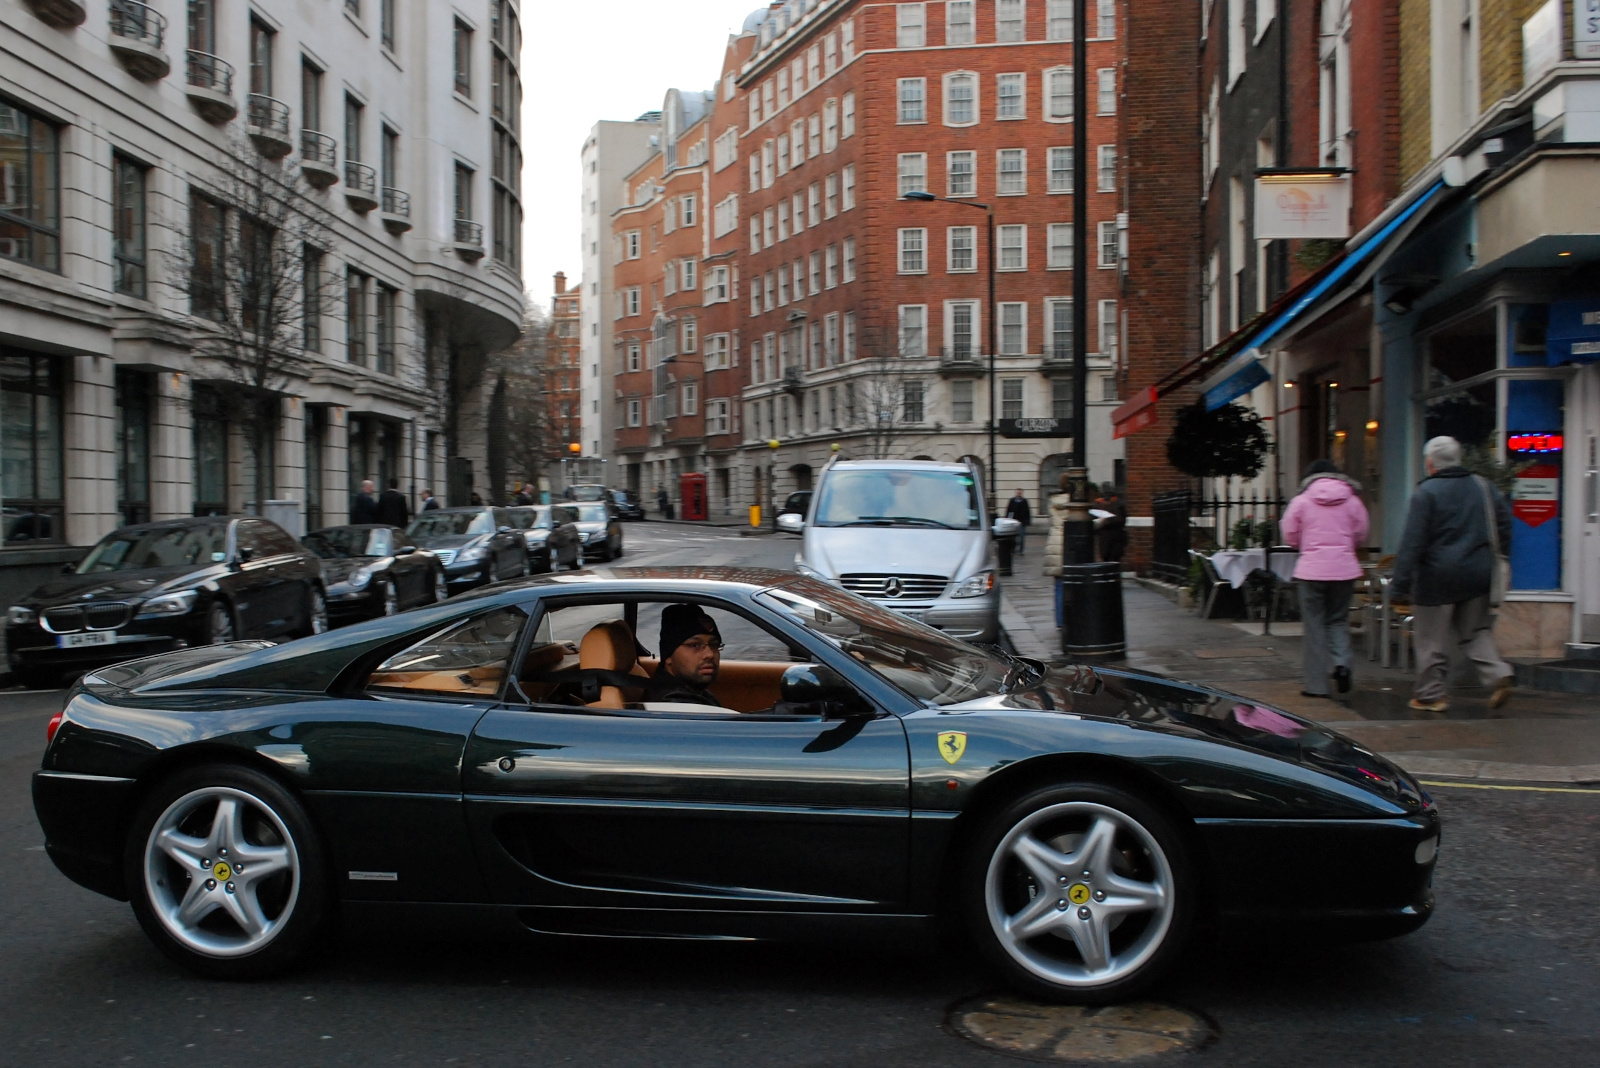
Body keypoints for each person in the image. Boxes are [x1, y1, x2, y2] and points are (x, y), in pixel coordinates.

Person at [1391, 436, 1514, 713]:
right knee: (1475, 632)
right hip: (1477, 575)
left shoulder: (1426, 493)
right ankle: (1497, 672)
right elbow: (1504, 526)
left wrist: (1399, 584)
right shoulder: (1484, 487)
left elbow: (1413, 542)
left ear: (1430, 463)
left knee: (1430, 639)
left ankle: (1431, 694)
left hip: (1436, 578)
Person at [1281, 459, 1368, 698]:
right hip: (1344, 569)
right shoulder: (1353, 501)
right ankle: (1343, 665)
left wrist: (1303, 546)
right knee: (1338, 620)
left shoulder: (1301, 501)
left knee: (1315, 626)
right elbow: (1361, 533)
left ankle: (1316, 686)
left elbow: (1290, 533)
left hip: (1311, 571)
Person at [642, 603, 724, 707]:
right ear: (668, 656)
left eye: (714, 645)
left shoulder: (692, 693)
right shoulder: (674, 704)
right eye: (695, 645)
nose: (710, 654)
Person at [1093, 483, 1129, 564]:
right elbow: (1124, 516)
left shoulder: (1097, 504)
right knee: (1116, 557)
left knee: (1105, 556)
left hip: (1104, 532)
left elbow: (1094, 519)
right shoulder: (1119, 502)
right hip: (1117, 531)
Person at [1005, 489, 1032, 556]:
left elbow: (1027, 512)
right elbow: (1008, 510)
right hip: (1013, 521)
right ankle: (1013, 549)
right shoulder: (1012, 501)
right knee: (1013, 536)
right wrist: (1008, 519)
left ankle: (1021, 550)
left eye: (1020, 493)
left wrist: (1027, 521)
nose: (1019, 494)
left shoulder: (1024, 501)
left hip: (1022, 521)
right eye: (1018, 493)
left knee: (1022, 536)